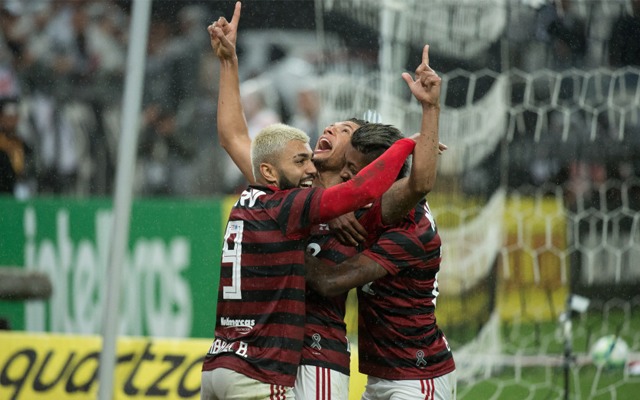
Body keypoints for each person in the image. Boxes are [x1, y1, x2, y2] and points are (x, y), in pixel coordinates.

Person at [208, 3, 448, 399]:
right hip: (270, 357)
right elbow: (234, 137)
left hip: (318, 357)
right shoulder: (291, 186)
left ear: (356, 166)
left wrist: (428, 111)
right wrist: (228, 61)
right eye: (335, 123)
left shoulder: (368, 209)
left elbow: (419, 183)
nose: (332, 126)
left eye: (346, 130)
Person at [200, 121, 415, 399]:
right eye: (300, 161)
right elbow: (361, 190)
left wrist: (229, 73)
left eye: (345, 129)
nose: (310, 167)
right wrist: (407, 145)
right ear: (268, 171)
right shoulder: (289, 205)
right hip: (261, 366)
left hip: (224, 359)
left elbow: (235, 138)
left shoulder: (247, 201)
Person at [304, 47, 457, 399]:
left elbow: (330, 281)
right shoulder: (371, 206)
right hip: (378, 375)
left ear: (384, 177)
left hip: (416, 377)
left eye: (354, 173)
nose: (346, 179)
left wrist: (273, 245)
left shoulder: (410, 229)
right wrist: (325, 203)